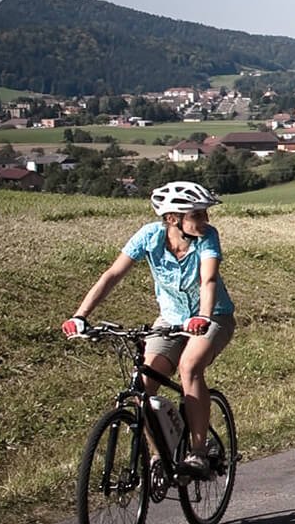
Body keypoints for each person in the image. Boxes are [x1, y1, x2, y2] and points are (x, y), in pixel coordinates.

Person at [63, 180, 236, 475]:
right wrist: (80, 315)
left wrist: (203, 317)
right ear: (172, 219)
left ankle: (197, 452)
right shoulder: (149, 237)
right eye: (197, 214)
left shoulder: (207, 237)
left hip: (213, 316)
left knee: (189, 368)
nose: (205, 220)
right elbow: (112, 274)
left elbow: (208, 280)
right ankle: (161, 456)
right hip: (170, 319)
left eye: (205, 213)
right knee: (143, 386)